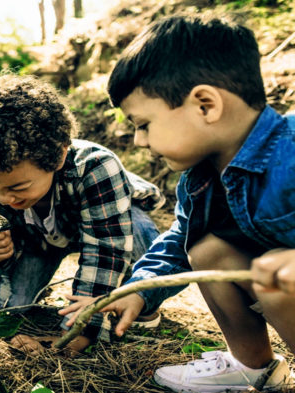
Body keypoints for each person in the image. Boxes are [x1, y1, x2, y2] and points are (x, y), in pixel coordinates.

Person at [96, 14, 295, 392]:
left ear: (205, 105)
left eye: (143, 124)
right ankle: (254, 367)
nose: (139, 141)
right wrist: (138, 290)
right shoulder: (199, 183)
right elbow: (175, 243)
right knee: (206, 251)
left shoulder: (291, 150)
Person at [0, 74, 165, 354]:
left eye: (18, 187)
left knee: (141, 236)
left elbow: (105, 251)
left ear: (58, 157)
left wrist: (80, 329)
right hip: (37, 240)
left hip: (104, 225)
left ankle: (145, 305)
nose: (3, 198)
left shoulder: (96, 168)